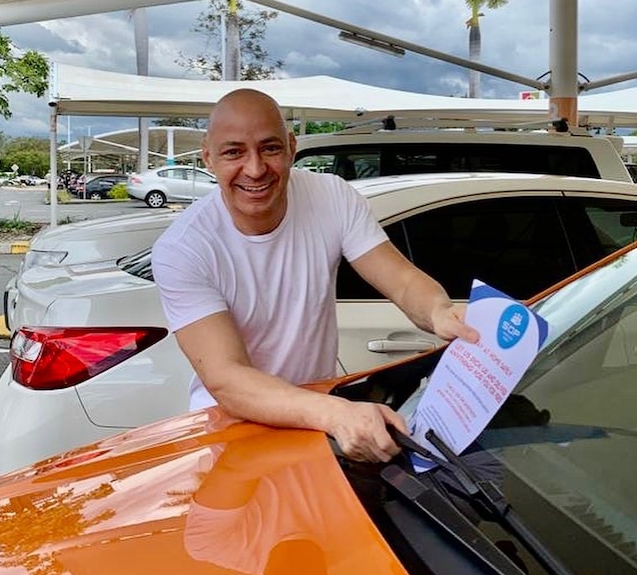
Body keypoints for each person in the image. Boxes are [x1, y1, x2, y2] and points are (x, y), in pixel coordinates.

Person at [152, 88, 478, 464]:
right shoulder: (183, 248)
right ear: (208, 158)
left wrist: (440, 311)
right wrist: (334, 413)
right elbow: (227, 377)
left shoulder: (332, 197)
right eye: (234, 152)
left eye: (270, 148)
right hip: (234, 427)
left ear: (292, 148)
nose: (255, 169)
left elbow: (402, 281)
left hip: (312, 421)